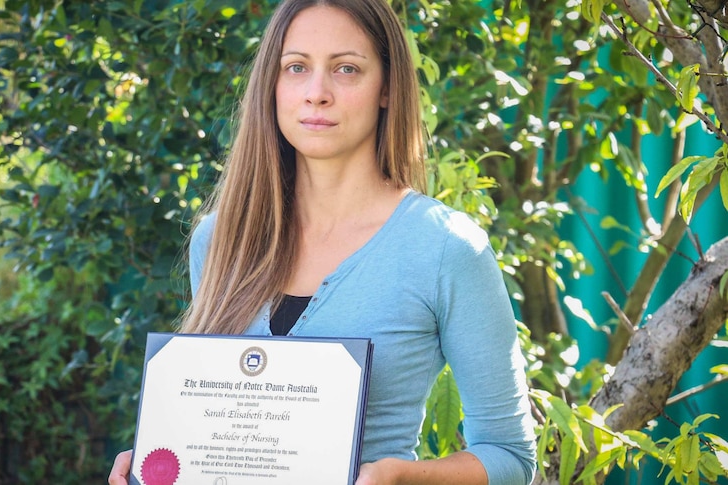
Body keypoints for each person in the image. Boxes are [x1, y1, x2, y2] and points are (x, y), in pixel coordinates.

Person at [109, 0, 536, 483]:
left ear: (387, 89)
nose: (316, 93)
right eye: (296, 67)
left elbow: (511, 458)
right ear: (271, 84)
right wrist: (155, 462)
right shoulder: (220, 238)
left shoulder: (446, 249)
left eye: (346, 69)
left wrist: (404, 478)